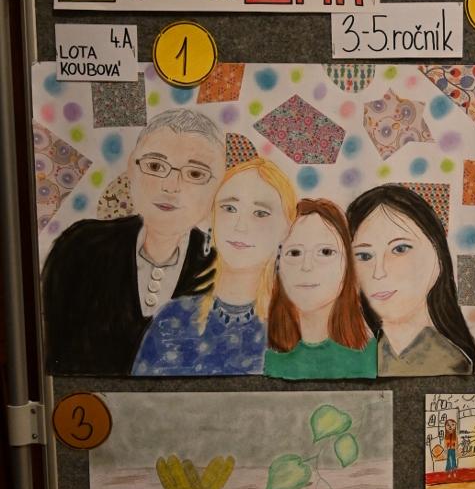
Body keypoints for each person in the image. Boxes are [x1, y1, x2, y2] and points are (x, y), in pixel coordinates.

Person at [41, 109, 226, 375]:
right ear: (131, 167)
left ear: (217, 188)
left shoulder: (223, 266)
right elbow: (53, 359)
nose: (171, 186)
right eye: (155, 166)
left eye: (195, 174)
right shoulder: (81, 246)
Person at [133, 157, 295, 376]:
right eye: (229, 208)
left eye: (260, 213)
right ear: (212, 220)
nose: (240, 226)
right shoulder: (172, 319)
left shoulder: (295, 325)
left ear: (286, 230)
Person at [346, 184, 475, 377]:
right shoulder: (359, 355)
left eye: (400, 249)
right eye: (364, 256)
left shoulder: (450, 363)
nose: (378, 272)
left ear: (438, 256)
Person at [264, 199, 377, 380]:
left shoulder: (372, 356)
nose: (306, 266)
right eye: (294, 253)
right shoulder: (264, 358)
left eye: (325, 252)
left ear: (347, 265)